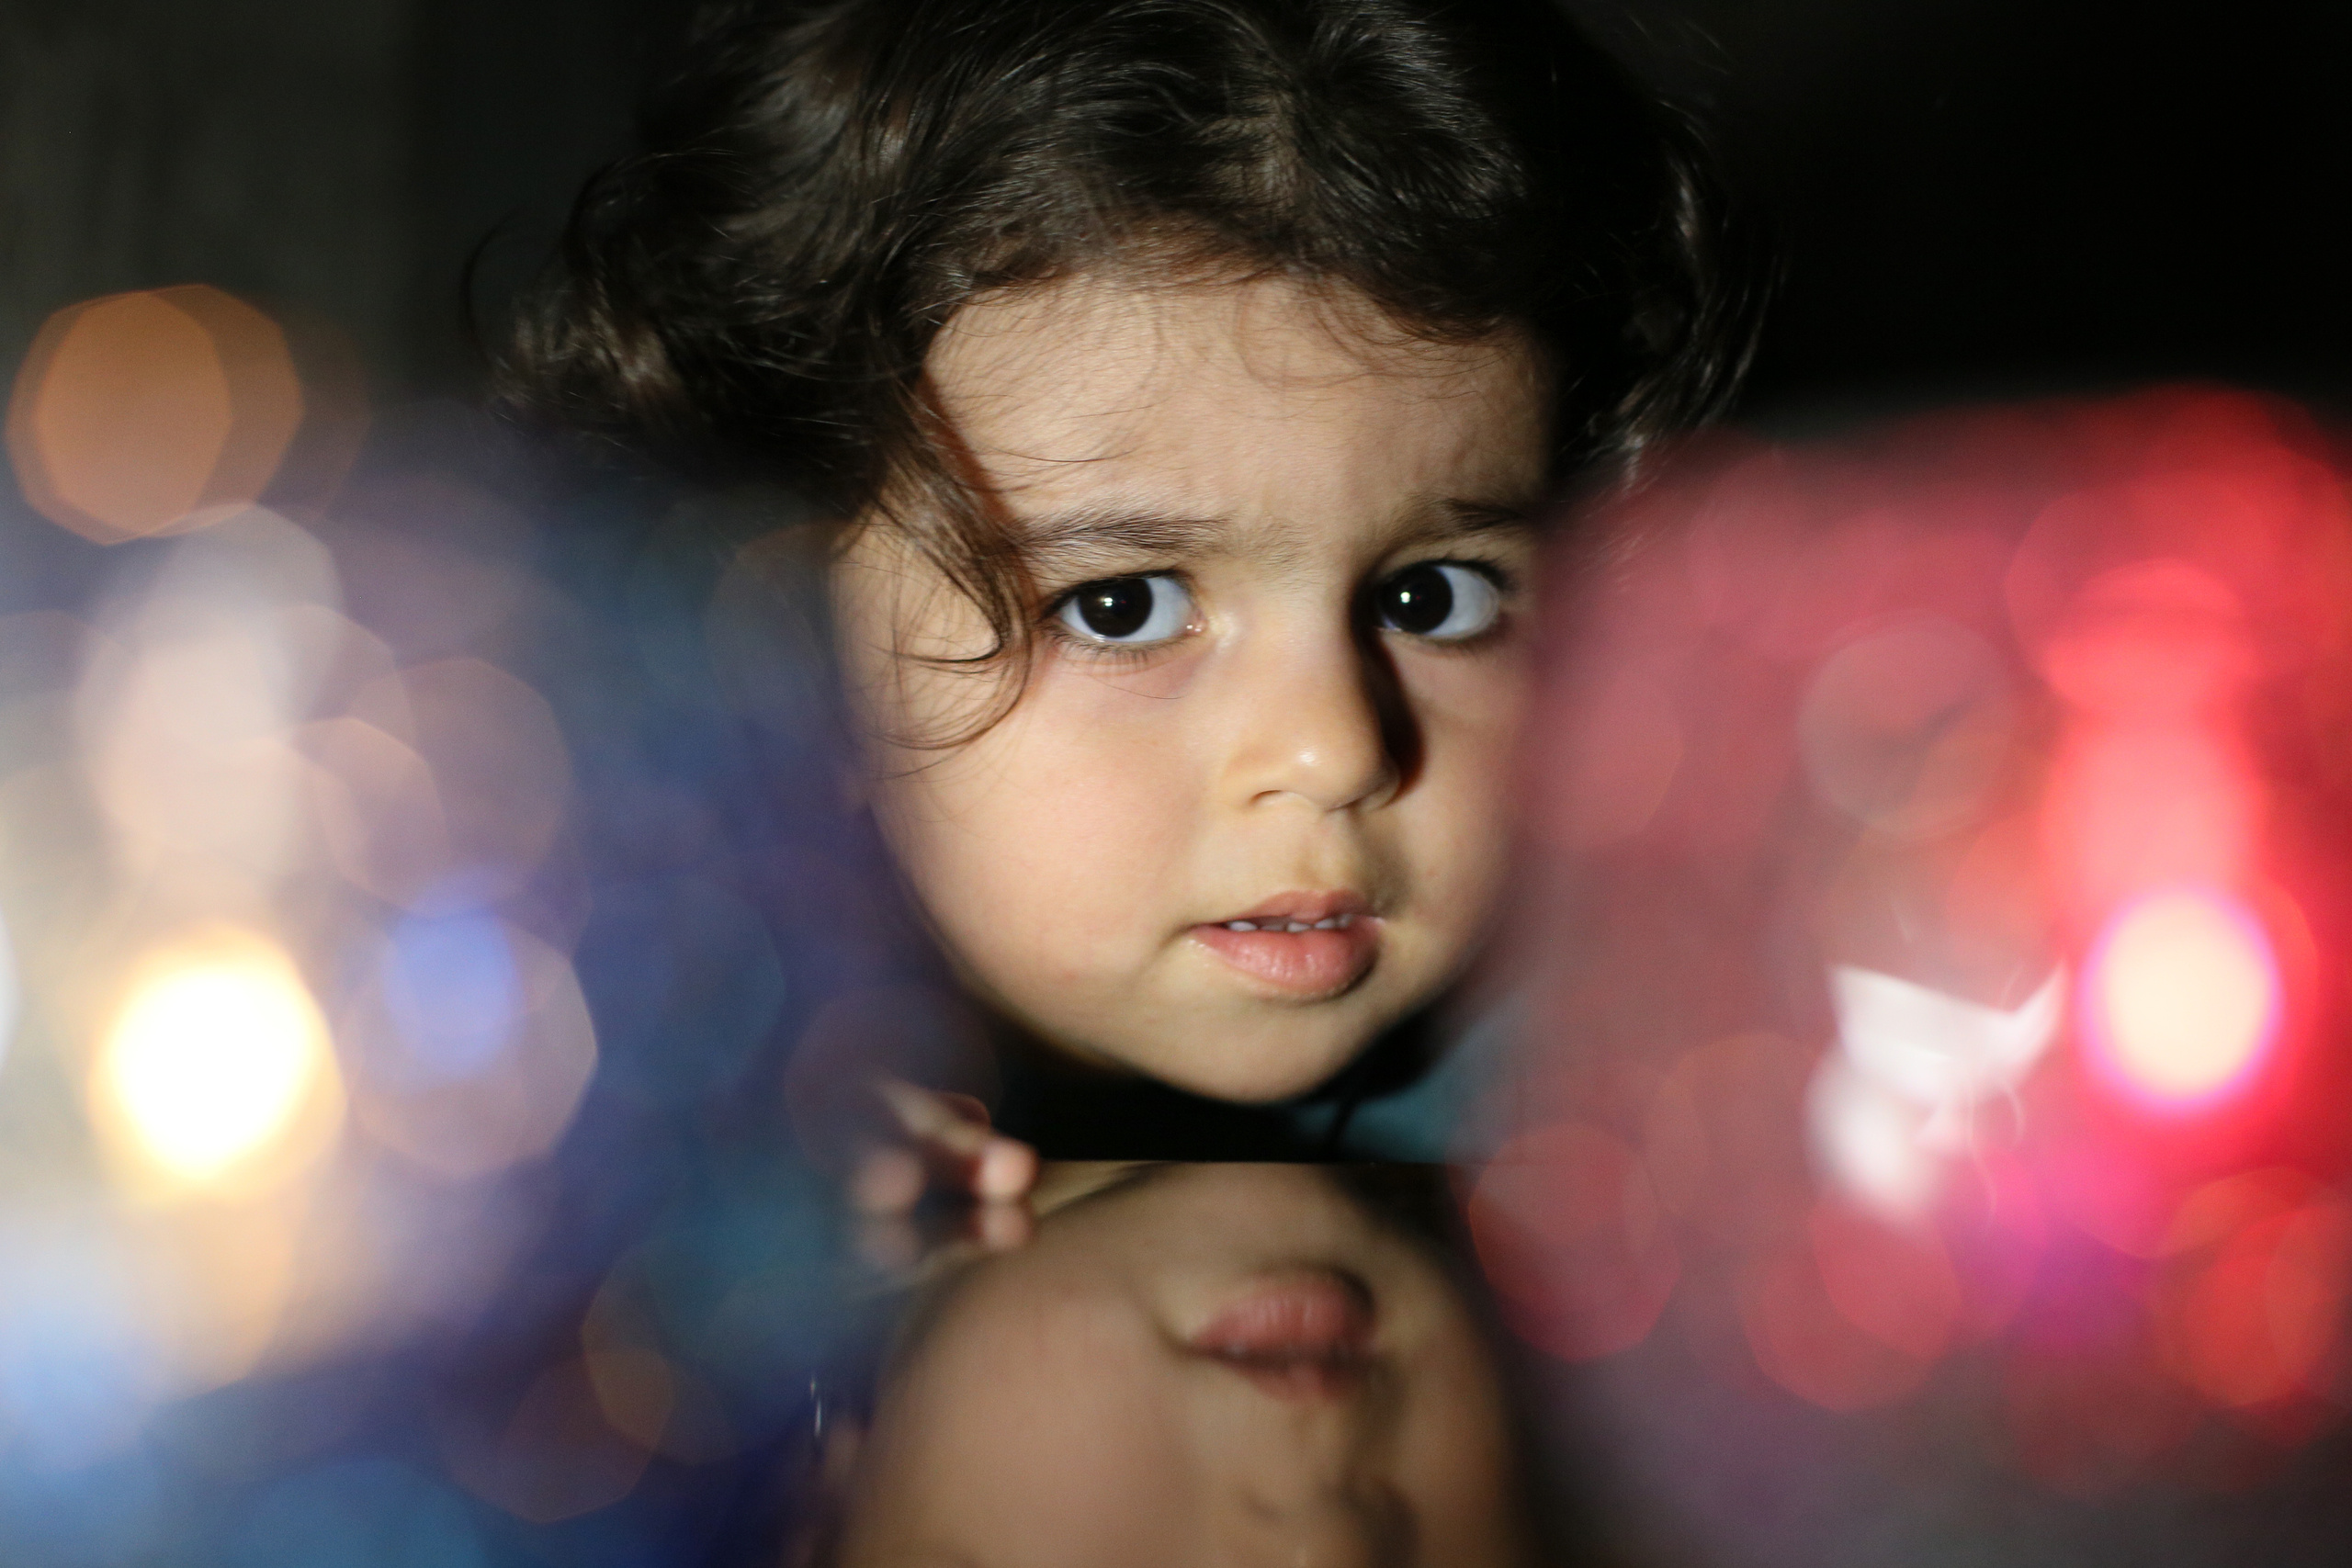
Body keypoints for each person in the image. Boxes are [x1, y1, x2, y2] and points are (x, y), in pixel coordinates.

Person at [501, 0, 1757, 1197]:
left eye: (1431, 599)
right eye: (1124, 608)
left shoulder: (1600, 1113)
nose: (1333, 751)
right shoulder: (613, 1089)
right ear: (782, 657)